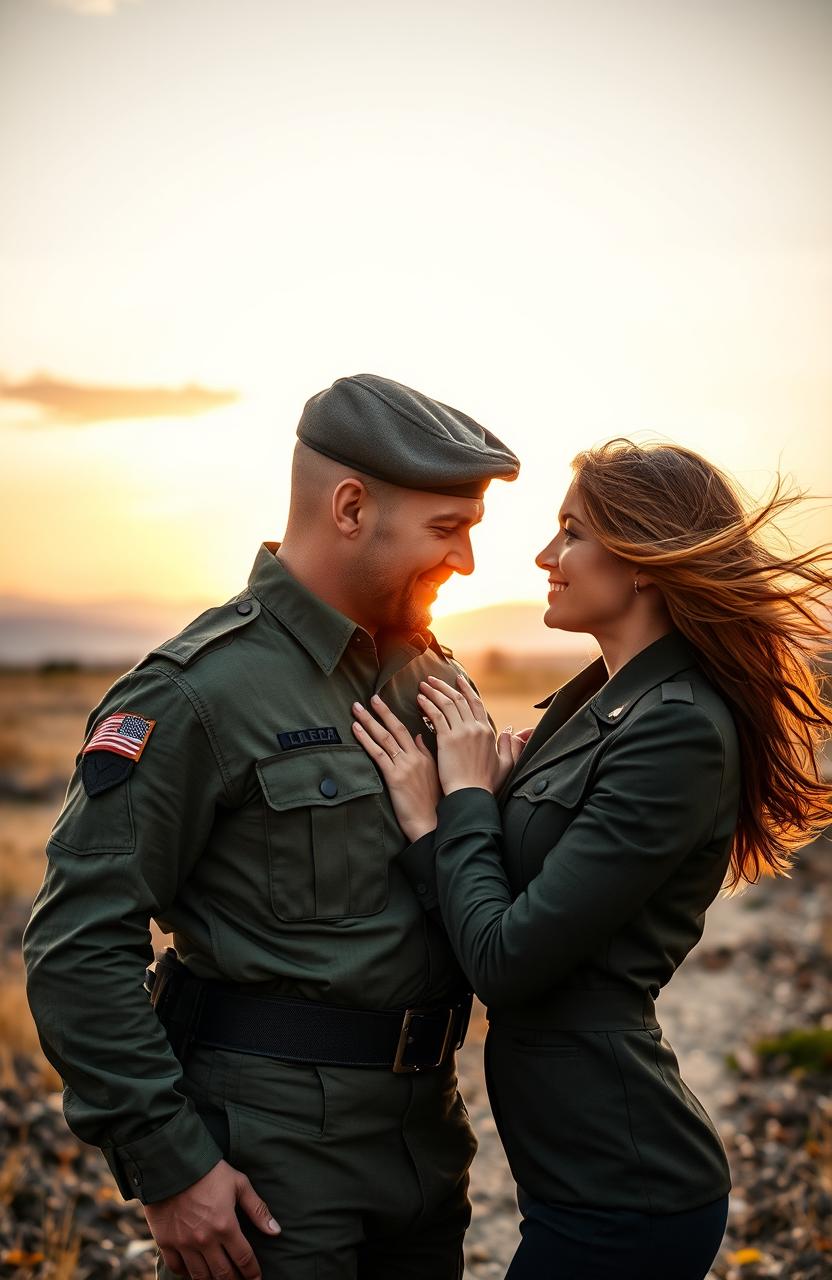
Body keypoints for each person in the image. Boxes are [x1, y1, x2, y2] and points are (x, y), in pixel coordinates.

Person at [23, 373, 520, 1280]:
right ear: (351, 506)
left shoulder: (432, 678)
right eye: (447, 531)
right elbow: (74, 945)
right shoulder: (197, 691)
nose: (467, 565)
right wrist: (171, 1166)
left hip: (425, 1145)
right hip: (270, 1168)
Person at [352, 439, 832, 1280]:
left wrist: (454, 808)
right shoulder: (599, 702)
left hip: (625, 1194)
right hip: (576, 1178)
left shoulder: (676, 730)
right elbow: (503, 903)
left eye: (571, 532)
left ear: (644, 560)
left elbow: (504, 958)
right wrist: (478, 800)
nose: (545, 557)